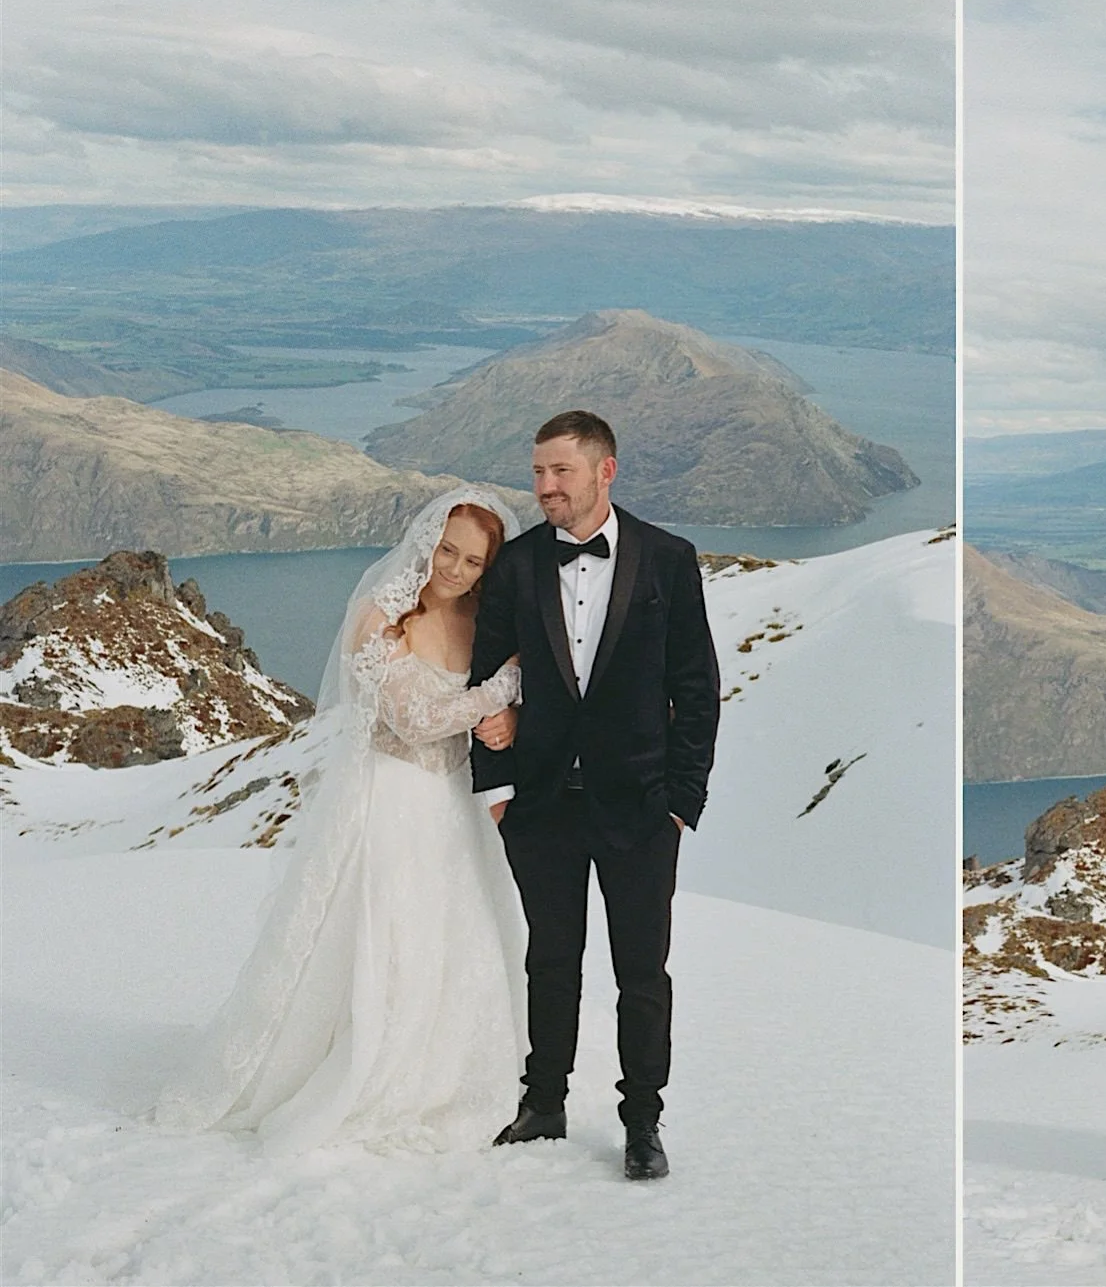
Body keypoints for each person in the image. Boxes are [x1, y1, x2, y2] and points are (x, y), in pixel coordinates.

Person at [154, 488, 528, 1155]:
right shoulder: (376, 615)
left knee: (455, 938)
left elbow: (486, 719)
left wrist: (507, 717)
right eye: (448, 550)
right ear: (426, 544)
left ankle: (447, 1071)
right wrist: (499, 690)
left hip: (451, 806)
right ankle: (364, 1066)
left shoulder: (484, 619)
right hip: (389, 798)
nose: (455, 568)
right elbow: (411, 718)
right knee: (386, 937)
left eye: (473, 560)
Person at [470, 410, 721, 1182]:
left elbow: (696, 687)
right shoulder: (512, 567)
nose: (544, 486)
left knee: (642, 971)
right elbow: (484, 682)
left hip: (643, 808)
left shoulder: (669, 560)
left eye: (560, 472)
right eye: (539, 471)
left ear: (605, 470)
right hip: (540, 805)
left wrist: (681, 799)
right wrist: (500, 791)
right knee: (551, 961)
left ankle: (642, 1122)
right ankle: (543, 1102)